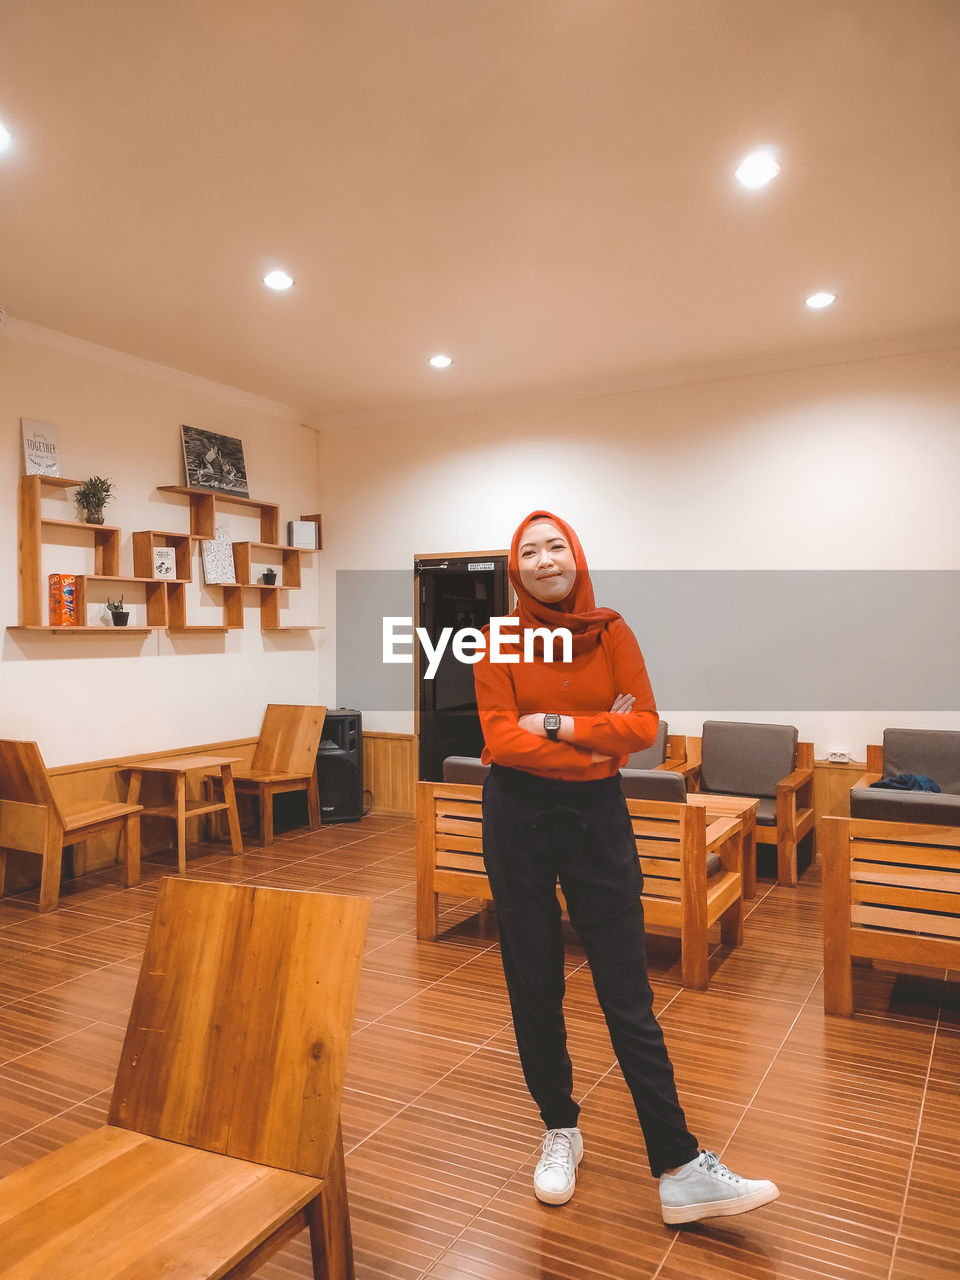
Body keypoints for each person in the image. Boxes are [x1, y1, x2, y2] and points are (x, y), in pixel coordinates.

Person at [473, 509, 779, 1224]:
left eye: (556, 546)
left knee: (627, 991)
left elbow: (643, 729)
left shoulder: (613, 632)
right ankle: (560, 1129)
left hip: (598, 820)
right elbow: (499, 740)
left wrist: (554, 727)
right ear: (516, 569)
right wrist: (595, 742)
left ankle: (678, 1167)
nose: (544, 559)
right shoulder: (496, 639)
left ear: (575, 556)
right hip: (515, 817)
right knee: (534, 981)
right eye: (529, 551)